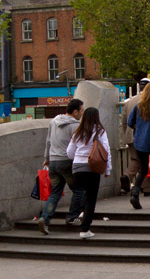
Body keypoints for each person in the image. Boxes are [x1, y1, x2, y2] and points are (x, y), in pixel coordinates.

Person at [37, 99, 85, 235]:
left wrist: (46, 159)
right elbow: (78, 145)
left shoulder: (53, 122)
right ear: (75, 111)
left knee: (55, 192)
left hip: (53, 162)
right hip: (67, 162)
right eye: (81, 110)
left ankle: (45, 219)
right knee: (78, 189)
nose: (82, 113)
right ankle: (72, 217)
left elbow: (48, 142)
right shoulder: (75, 125)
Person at [67, 107, 112, 239]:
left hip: (77, 168)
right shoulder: (100, 131)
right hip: (92, 168)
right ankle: (85, 229)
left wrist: (78, 157)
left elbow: (69, 153)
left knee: (85, 192)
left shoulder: (77, 132)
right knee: (91, 197)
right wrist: (107, 169)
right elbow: (106, 151)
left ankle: (82, 212)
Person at [127, 82, 150, 209]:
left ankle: (135, 192)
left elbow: (129, 121)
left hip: (139, 142)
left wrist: (137, 129)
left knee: (143, 170)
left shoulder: (138, 107)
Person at [120, 78, 150, 195]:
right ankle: (148, 188)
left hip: (130, 135)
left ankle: (127, 175)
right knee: (148, 162)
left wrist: (126, 134)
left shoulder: (130, 101)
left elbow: (124, 121)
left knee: (136, 159)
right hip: (146, 136)